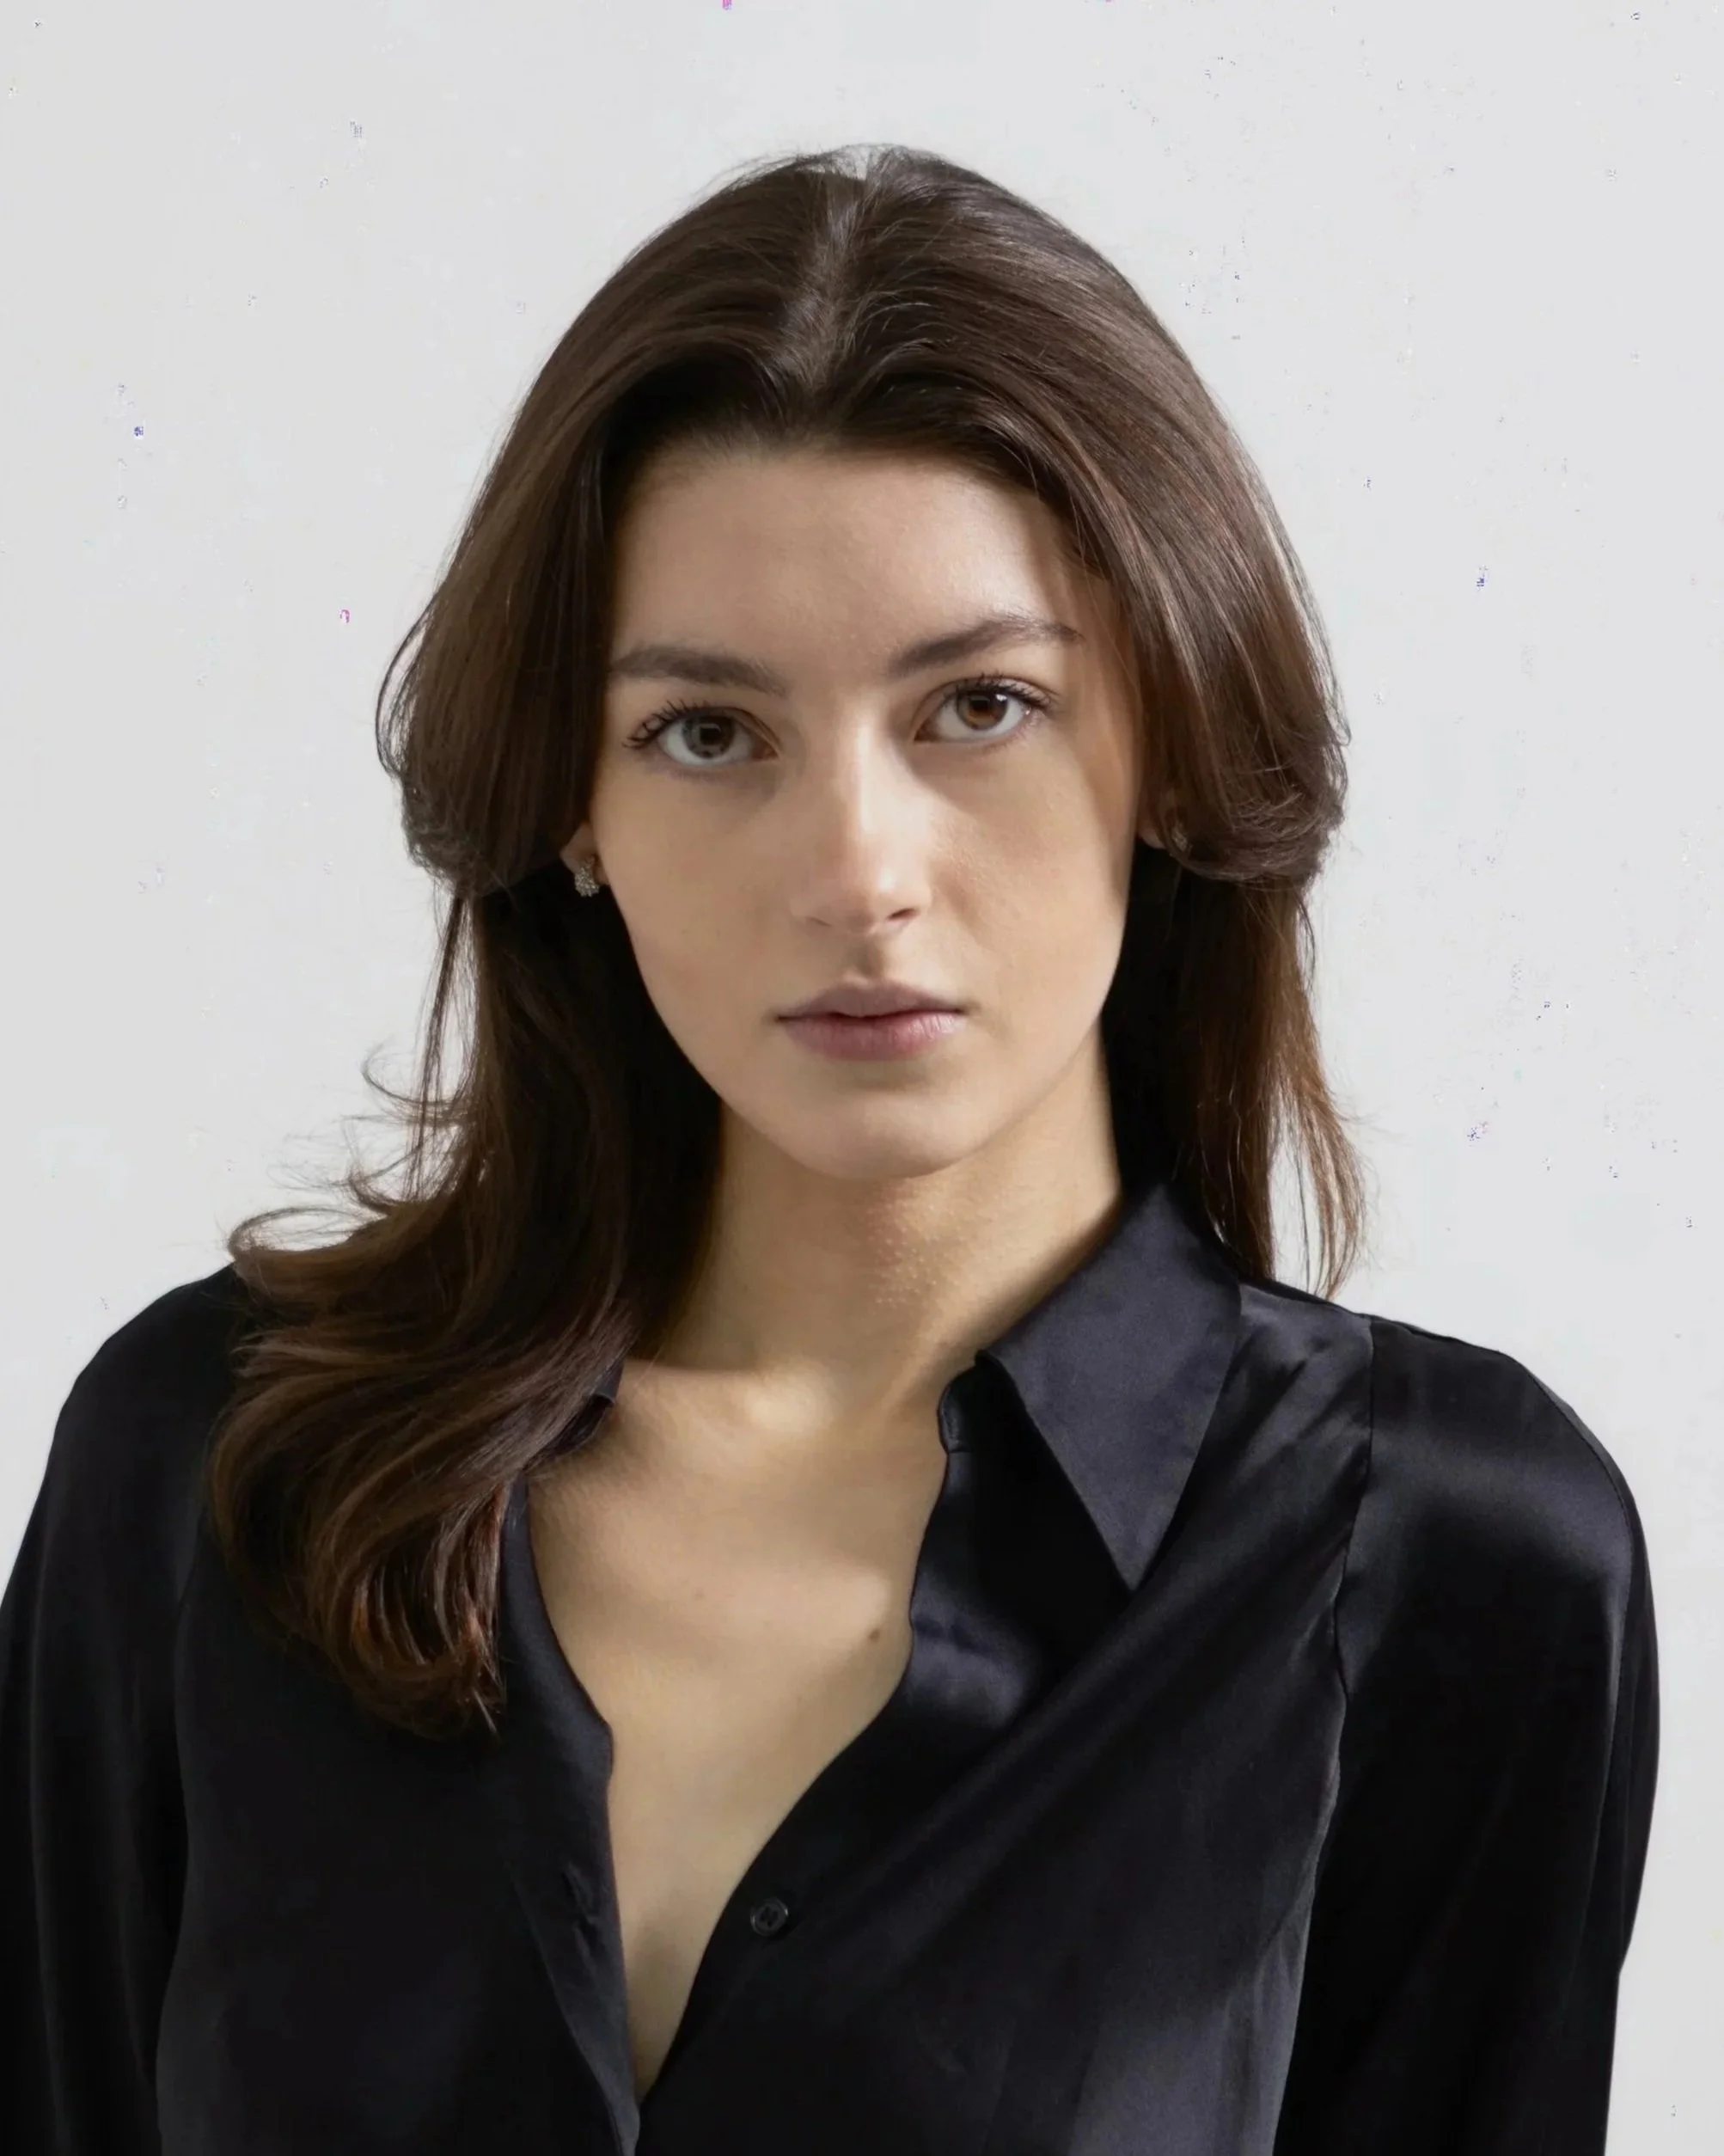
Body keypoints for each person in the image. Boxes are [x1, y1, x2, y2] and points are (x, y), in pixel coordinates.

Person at [0, 144, 1657, 2155]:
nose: (856, 872)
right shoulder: (208, 1464)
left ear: (1169, 743)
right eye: (711, 732)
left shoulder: (1450, 1562)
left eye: (978, 706)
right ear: (574, 812)